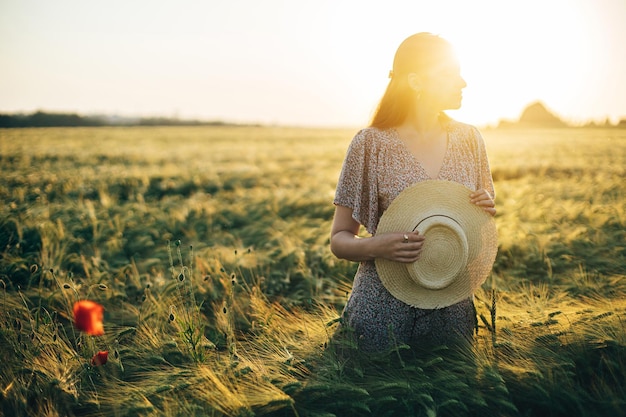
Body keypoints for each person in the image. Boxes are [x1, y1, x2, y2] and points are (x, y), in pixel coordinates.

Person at [330, 32, 496, 352]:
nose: (462, 82)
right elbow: (339, 240)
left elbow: (478, 235)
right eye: (449, 73)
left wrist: (483, 212)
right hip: (382, 315)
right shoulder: (371, 144)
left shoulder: (470, 140)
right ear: (416, 81)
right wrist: (378, 246)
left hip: (451, 309)